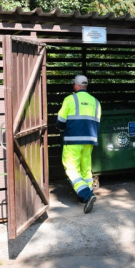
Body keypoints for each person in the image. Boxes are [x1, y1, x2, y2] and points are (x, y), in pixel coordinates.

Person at [56, 75, 102, 214]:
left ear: (76, 86)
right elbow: (97, 123)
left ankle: (87, 195)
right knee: (86, 169)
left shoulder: (70, 99)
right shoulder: (96, 102)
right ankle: (84, 198)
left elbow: (60, 120)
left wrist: (61, 130)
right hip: (89, 141)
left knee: (71, 169)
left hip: (73, 141)